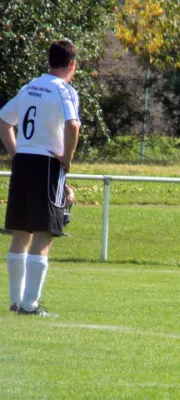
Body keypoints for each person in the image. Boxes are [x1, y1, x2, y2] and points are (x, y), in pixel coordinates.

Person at [0, 40, 80, 316]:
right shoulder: (64, 90)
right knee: (45, 233)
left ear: (48, 62)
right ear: (72, 65)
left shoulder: (29, 87)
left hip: (23, 162)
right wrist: (67, 160)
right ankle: (30, 305)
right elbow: (73, 124)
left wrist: (16, 152)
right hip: (47, 164)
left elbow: (3, 120)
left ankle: (16, 301)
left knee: (21, 232)